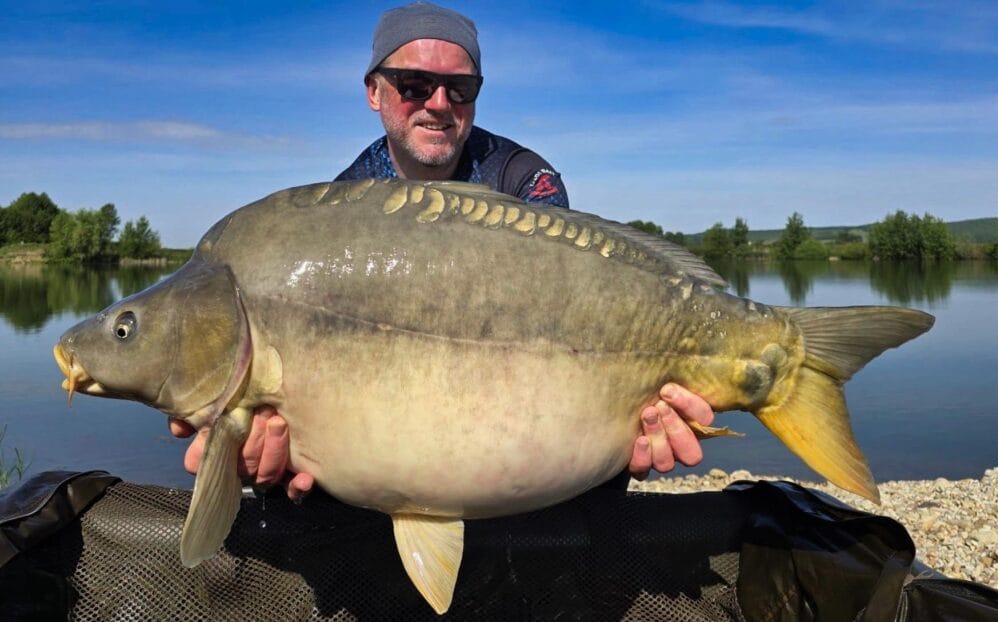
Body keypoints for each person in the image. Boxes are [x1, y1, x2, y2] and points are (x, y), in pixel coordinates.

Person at [170, 1, 716, 501]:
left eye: (461, 89)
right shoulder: (335, 214)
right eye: (414, 84)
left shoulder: (526, 181)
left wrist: (640, 416)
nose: (438, 104)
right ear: (374, 91)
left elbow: (570, 328)